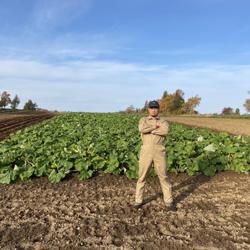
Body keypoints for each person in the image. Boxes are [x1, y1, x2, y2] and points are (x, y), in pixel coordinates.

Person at [133, 100, 174, 211]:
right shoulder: (143, 120)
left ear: (158, 109)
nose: (153, 109)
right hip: (145, 150)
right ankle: (138, 200)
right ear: (148, 109)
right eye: (151, 108)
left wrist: (150, 130)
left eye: (155, 108)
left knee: (163, 176)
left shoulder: (163, 121)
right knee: (142, 176)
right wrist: (155, 127)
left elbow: (165, 131)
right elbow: (142, 129)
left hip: (159, 150)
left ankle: (169, 202)